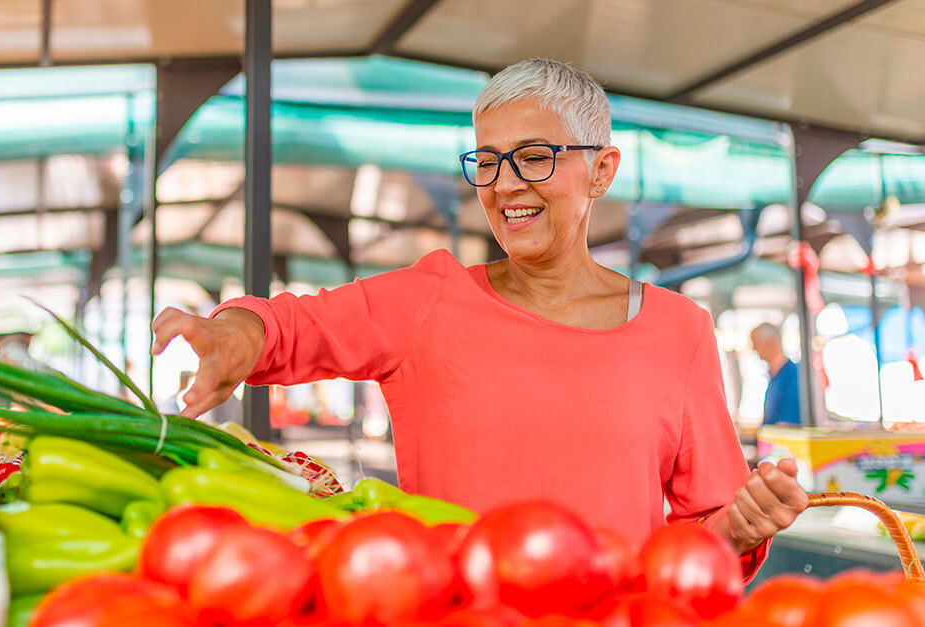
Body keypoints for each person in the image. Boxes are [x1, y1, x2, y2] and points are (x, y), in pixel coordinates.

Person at [150, 58, 806, 578]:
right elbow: (293, 326)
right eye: (487, 160)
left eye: (534, 156)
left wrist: (740, 527)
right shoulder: (427, 299)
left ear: (601, 170)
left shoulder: (680, 330)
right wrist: (234, 332)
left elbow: (701, 544)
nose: (505, 184)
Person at [750, 322, 802, 426]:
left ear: (771, 343)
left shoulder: (793, 375)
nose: (754, 348)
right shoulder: (775, 376)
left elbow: (789, 423)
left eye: (756, 343)